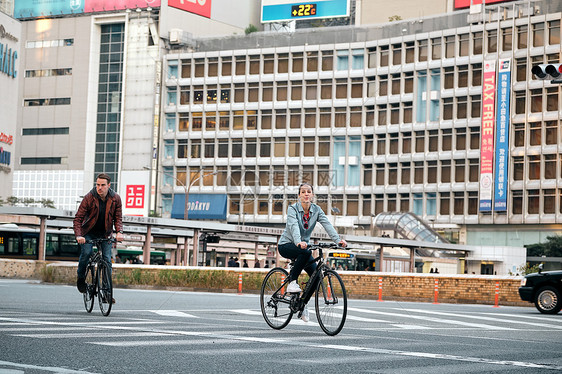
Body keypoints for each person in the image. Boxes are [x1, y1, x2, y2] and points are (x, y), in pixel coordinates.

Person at [278, 183, 347, 322]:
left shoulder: (316, 210)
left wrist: (337, 240)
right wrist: (298, 241)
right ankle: (292, 282)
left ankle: (302, 304)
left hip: (304, 246)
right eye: (303, 192)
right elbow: (293, 227)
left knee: (316, 277)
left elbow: (327, 224)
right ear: (299, 195)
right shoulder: (293, 209)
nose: (306, 194)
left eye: (309, 191)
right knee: (304, 252)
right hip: (287, 245)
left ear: (312, 195)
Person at [73, 173, 124, 304]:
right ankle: (80, 278)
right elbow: (78, 219)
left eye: (102, 185)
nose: (99, 188)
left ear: (109, 186)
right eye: (97, 185)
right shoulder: (89, 197)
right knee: (87, 252)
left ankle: (106, 293)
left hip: (105, 233)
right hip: (88, 232)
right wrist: (79, 235)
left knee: (107, 260)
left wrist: (119, 232)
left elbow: (118, 218)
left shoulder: (115, 199)